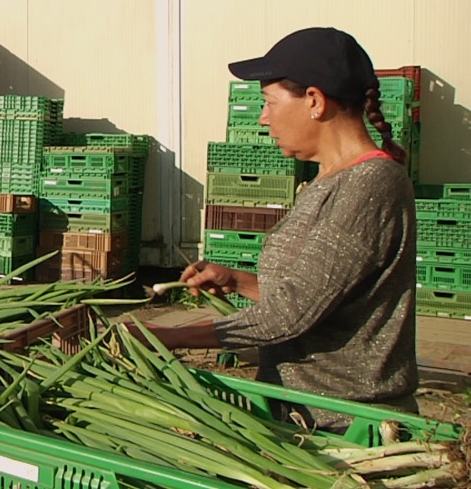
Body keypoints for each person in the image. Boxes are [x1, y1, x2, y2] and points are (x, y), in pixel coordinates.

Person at [139, 27, 418, 431]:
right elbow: (321, 294)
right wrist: (240, 282)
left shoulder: (371, 184)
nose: (263, 117)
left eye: (269, 102)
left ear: (315, 101)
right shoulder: (326, 179)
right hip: (298, 413)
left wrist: (165, 336)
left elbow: (290, 315)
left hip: (348, 426)